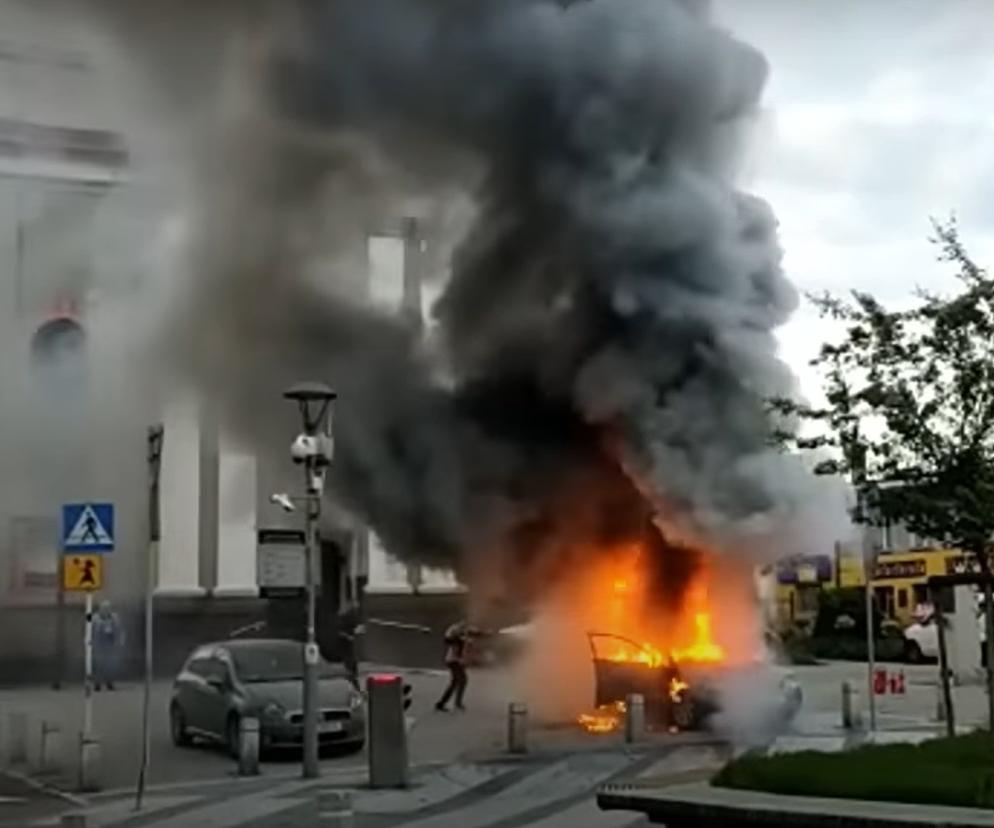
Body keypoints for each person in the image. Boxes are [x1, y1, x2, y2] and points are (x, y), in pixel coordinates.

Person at [435, 620, 480, 712]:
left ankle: (448, 703)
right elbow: (450, 638)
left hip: (457, 661)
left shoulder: (463, 636)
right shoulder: (457, 637)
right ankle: (448, 703)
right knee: (461, 681)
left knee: (457, 682)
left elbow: (475, 633)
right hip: (453, 661)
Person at [93, 600, 123, 691]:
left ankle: (110, 683)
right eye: (104, 608)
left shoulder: (115, 617)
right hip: (98, 645)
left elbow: (120, 630)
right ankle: (97, 684)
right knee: (98, 665)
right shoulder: (94, 618)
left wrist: (120, 641)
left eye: (108, 608)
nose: (106, 610)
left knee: (110, 665)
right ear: (100, 609)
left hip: (110, 645)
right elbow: (87, 628)